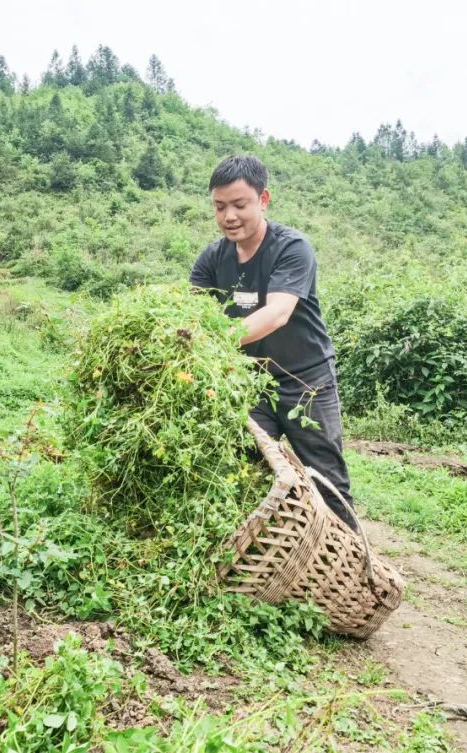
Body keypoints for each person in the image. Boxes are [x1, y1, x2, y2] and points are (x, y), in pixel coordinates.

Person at [190, 155, 356, 530]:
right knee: (242, 469)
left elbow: (278, 313)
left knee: (326, 476)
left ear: (263, 200)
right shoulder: (211, 260)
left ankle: (349, 565)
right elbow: (193, 317)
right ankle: (261, 556)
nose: (229, 216)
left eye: (239, 204)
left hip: (306, 381)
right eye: (219, 207)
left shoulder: (292, 248)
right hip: (251, 384)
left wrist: (214, 339)